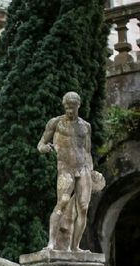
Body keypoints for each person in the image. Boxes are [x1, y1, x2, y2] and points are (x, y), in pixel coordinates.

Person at [37, 91, 95, 252]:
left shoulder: (85, 126)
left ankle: (75, 247)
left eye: (73, 108)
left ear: (78, 106)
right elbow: (41, 143)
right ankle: (51, 243)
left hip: (83, 168)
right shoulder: (56, 123)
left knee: (83, 207)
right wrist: (45, 148)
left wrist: (91, 170)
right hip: (65, 169)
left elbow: (87, 151)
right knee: (62, 202)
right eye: (67, 107)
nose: (69, 111)